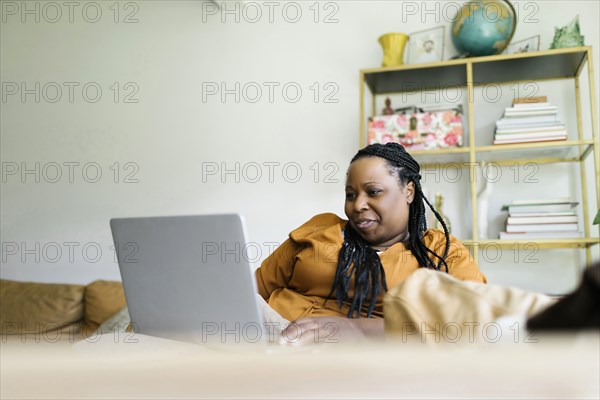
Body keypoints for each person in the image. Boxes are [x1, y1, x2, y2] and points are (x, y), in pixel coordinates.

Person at [255, 142, 486, 339]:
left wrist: (357, 328)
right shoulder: (320, 228)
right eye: (350, 195)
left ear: (409, 191)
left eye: (373, 192)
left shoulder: (438, 251)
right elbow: (253, 289)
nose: (357, 206)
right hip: (267, 337)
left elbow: (474, 318)